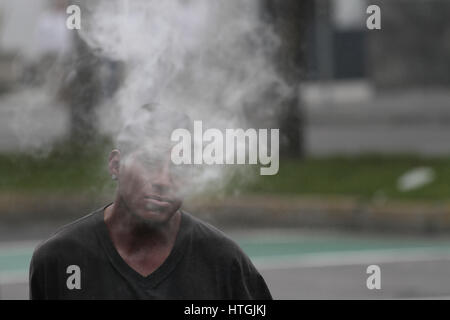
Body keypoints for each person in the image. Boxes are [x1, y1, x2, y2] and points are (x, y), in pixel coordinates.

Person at [29, 104, 272, 299]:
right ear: (116, 165)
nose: (163, 180)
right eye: (151, 163)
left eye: (180, 167)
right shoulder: (59, 258)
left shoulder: (223, 262)